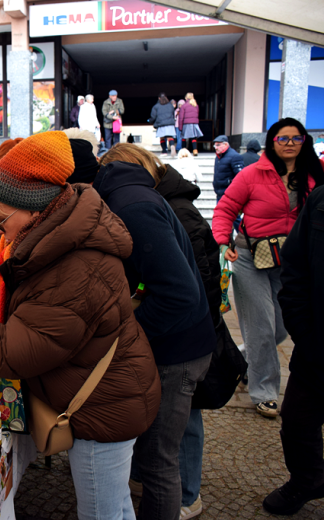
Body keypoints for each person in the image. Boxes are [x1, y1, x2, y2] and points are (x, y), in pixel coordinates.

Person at [0, 132, 161, 520]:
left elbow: (13, 351)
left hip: (103, 407)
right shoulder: (46, 233)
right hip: (95, 390)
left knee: (102, 512)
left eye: (1, 221)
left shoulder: (77, 264)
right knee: (115, 504)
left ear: (35, 209)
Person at [100, 144, 222, 520]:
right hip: (178, 343)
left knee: (159, 461)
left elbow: (180, 294)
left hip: (178, 351)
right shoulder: (133, 196)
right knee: (156, 456)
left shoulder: (132, 207)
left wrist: (130, 335)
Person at [212, 117, 324, 418]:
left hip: (292, 262)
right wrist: (223, 242)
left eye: (296, 138)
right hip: (251, 258)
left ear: (305, 141)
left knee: (283, 326)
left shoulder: (316, 174)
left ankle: (242, 359)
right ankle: (264, 391)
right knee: (261, 326)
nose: (289, 143)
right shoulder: (252, 174)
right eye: (282, 138)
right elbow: (225, 209)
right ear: (271, 142)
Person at [263, 185, 324, 515]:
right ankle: (308, 478)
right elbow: (295, 263)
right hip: (316, 344)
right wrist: (302, 327)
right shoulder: (321, 199)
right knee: (298, 421)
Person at [212, 135, 244, 203]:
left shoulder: (234, 156)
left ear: (226, 144)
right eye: (215, 146)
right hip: (219, 193)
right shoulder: (218, 157)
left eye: (218, 145)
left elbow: (240, 176)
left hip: (230, 195)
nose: (216, 148)